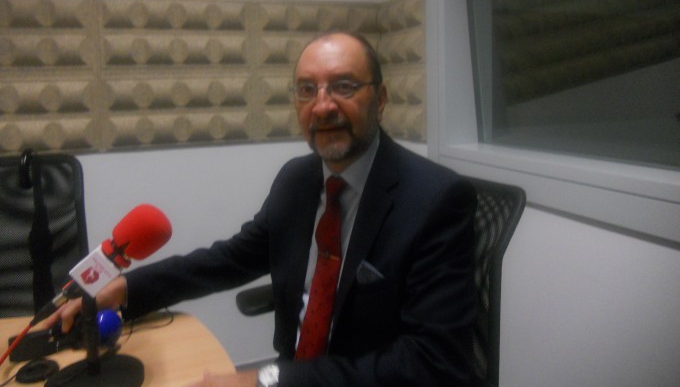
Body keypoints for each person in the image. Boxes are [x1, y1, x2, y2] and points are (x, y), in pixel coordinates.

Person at [48, 32, 478, 387]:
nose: (323, 105)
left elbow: (433, 361)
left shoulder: (436, 199)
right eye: (307, 90)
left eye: (344, 86)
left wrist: (263, 380)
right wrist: (128, 289)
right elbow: (228, 260)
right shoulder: (297, 181)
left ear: (380, 99)